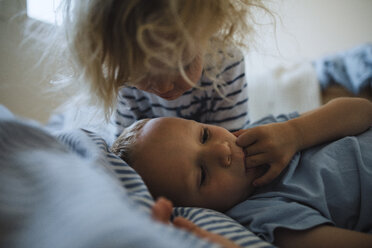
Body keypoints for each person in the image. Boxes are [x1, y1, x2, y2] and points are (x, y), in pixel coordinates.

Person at [111, 97, 372, 247]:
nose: (222, 151)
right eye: (202, 175)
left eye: (204, 135)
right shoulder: (264, 216)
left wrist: (296, 132)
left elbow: (363, 111)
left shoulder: (262, 132)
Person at [55, 0, 271, 142]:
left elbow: (230, 147)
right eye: (143, 74)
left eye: (183, 65)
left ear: (209, 31)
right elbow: (127, 148)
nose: (164, 88)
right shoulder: (125, 76)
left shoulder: (226, 62)